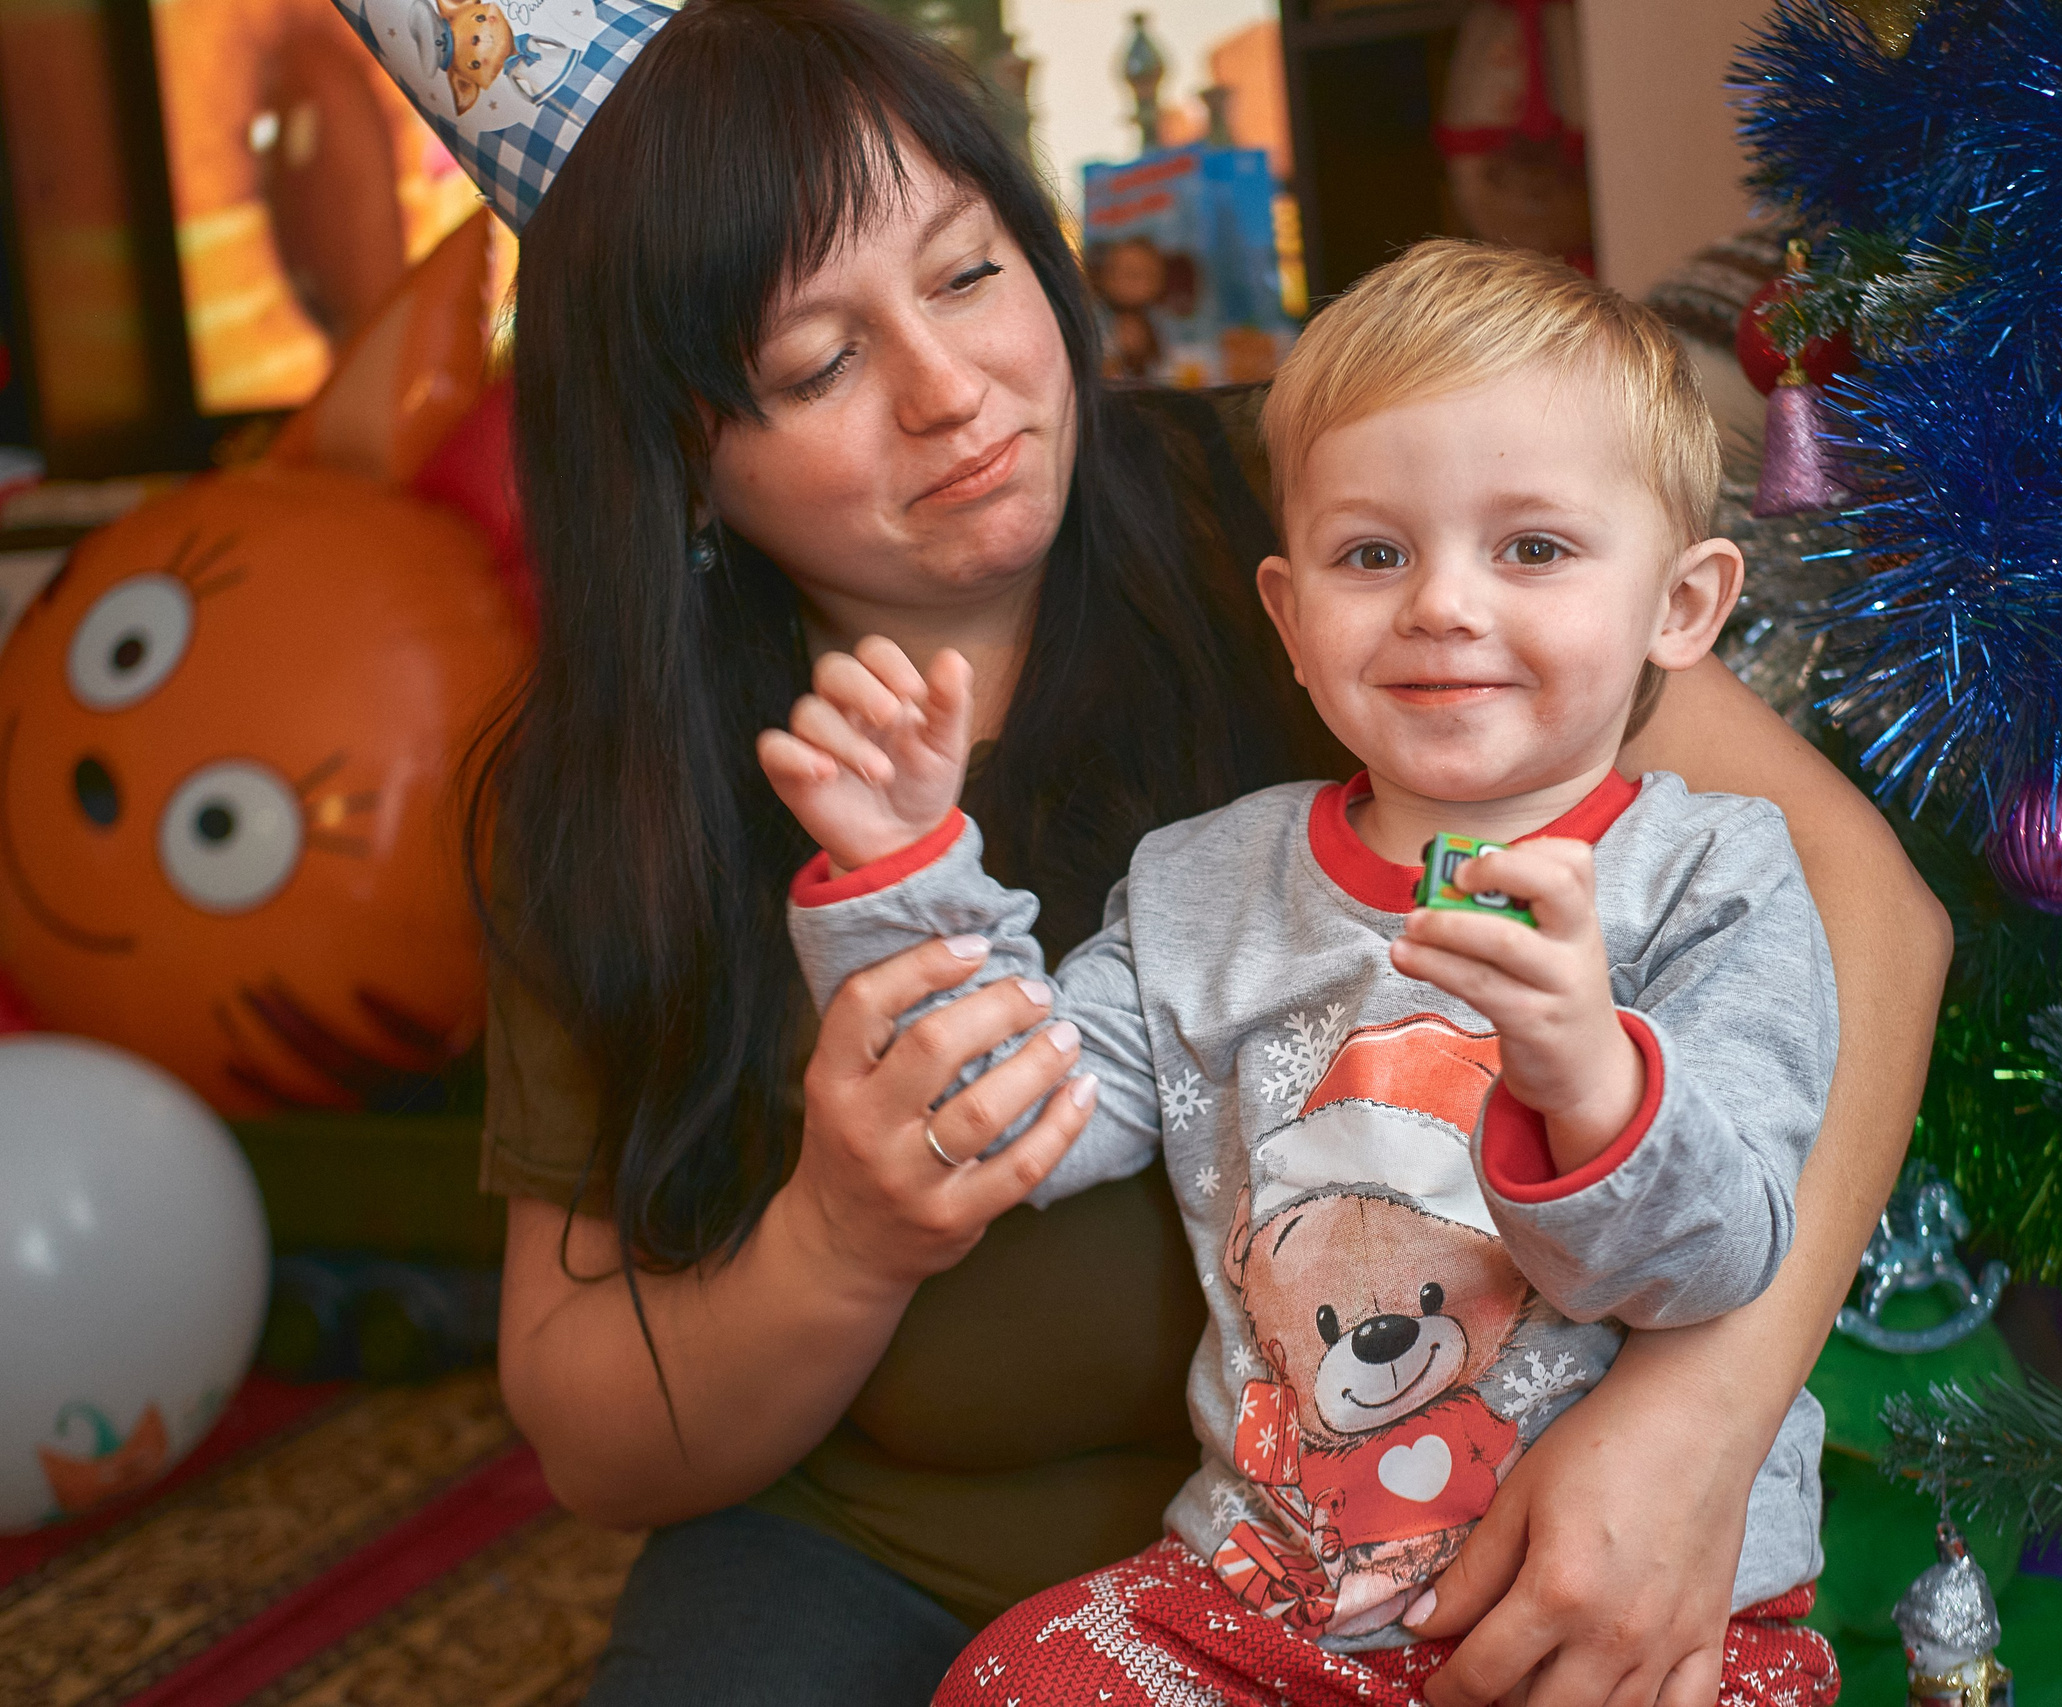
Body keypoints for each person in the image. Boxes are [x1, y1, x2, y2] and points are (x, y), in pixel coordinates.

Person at [327, 0, 1957, 1700]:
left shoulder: (1344, 517)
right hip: (927, 1572)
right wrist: (842, 1237)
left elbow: (1861, 911)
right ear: (677, 447)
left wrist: (1696, 1425)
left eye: (966, 275)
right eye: (819, 362)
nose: (950, 391)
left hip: (1469, 1517)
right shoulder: (616, 798)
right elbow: (599, 1435)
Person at [761, 240, 1841, 1705]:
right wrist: (903, 876)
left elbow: (1718, 1262)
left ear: (1683, 605)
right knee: (1008, 1681)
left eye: (1532, 548)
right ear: (1289, 614)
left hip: (1631, 1623)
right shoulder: (1204, 886)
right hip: (1268, 1605)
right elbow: (1001, 1118)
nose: (1442, 605)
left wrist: (1589, 1080)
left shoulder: (1721, 876)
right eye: (1373, 554)